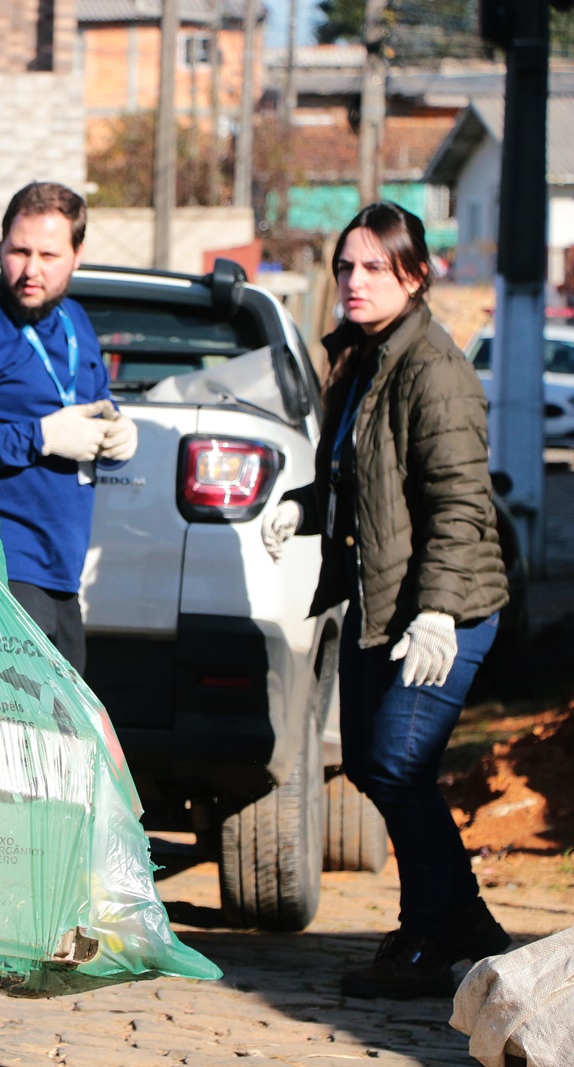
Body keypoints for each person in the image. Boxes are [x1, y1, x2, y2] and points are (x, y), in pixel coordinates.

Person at [259, 201, 511, 998]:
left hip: (446, 603)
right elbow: (358, 473)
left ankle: (427, 939)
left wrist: (438, 611)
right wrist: (306, 503)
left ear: (414, 274)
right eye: (345, 266)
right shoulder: (364, 356)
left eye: (374, 267)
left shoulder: (434, 368)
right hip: (383, 600)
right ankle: (471, 925)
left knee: (400, 766)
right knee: (370, 764)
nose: (353, 281)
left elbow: (460, 504)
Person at [0, 182, 137, 671]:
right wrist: (41, 436)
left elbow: (92, 401)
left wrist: (115, 429)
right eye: (19, 251)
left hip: (62, 571)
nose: (31, 270)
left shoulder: (74, 319)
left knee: (60, 742)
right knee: (7, 738)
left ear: (77, 255)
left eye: (49, 254)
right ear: (1, 246)